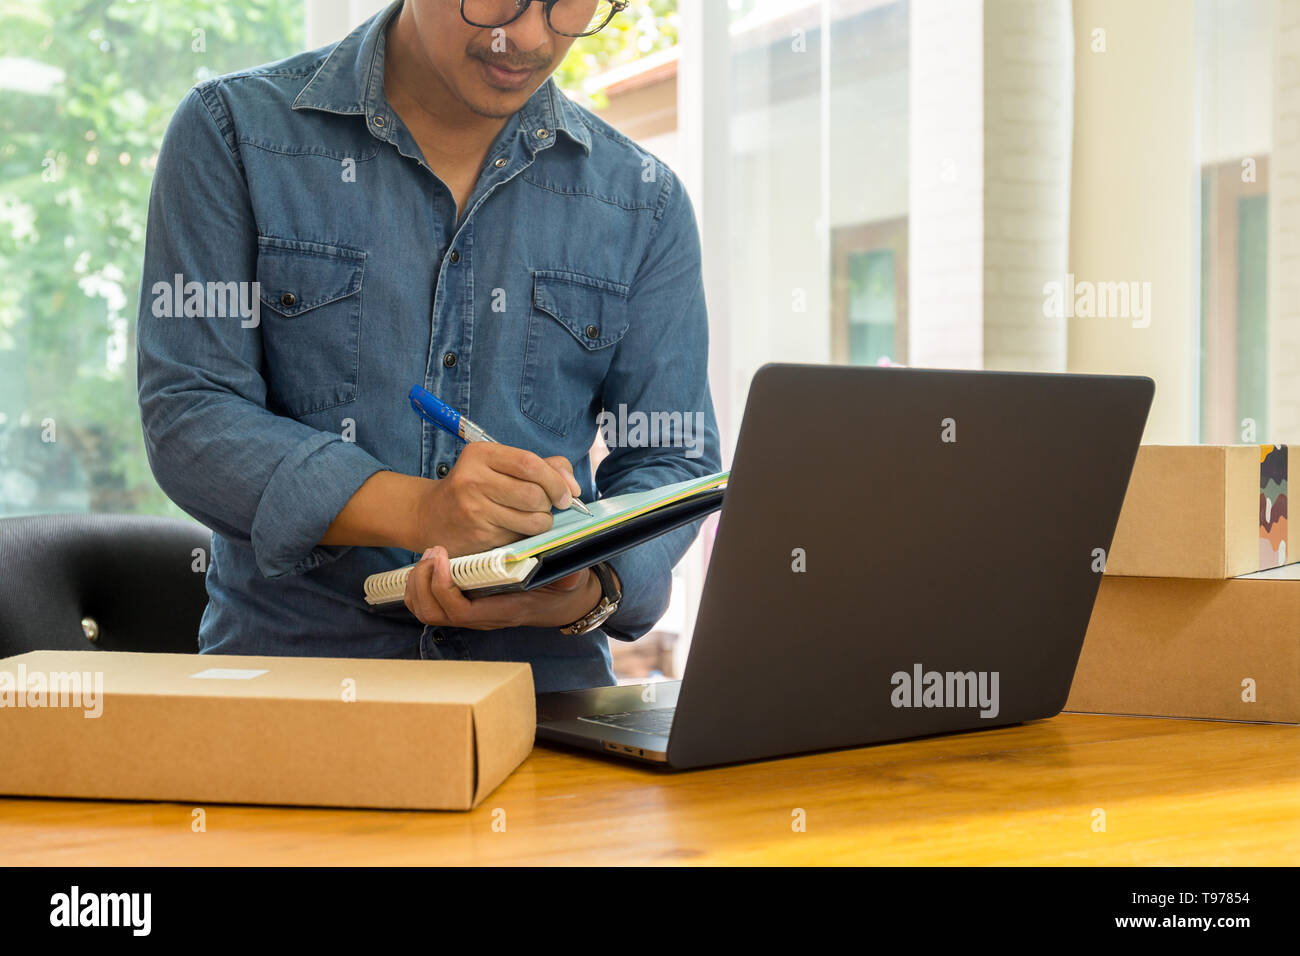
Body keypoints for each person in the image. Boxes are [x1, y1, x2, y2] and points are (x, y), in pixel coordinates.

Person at [136, 0, 720, 692]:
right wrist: (421, 510)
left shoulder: (642, 203)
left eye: (569, 2)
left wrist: (588, 587)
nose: (529, 36)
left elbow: (673, 456)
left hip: (544, 704)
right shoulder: (233, 134)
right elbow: (191, 415)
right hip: (289, 700)